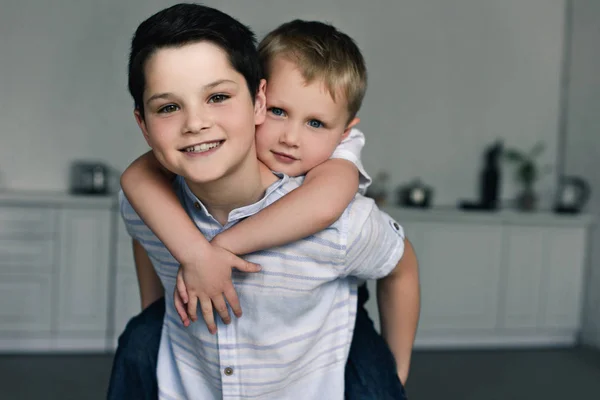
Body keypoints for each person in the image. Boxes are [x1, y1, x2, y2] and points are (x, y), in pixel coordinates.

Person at [109, 3, 420, 399]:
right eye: (169, 107)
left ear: (254, 100)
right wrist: (162, 315)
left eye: (218, 96)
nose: (195, 123)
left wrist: (396, 371)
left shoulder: (340, 204)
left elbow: (336, 212)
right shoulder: (148, 200)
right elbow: (142, 219)